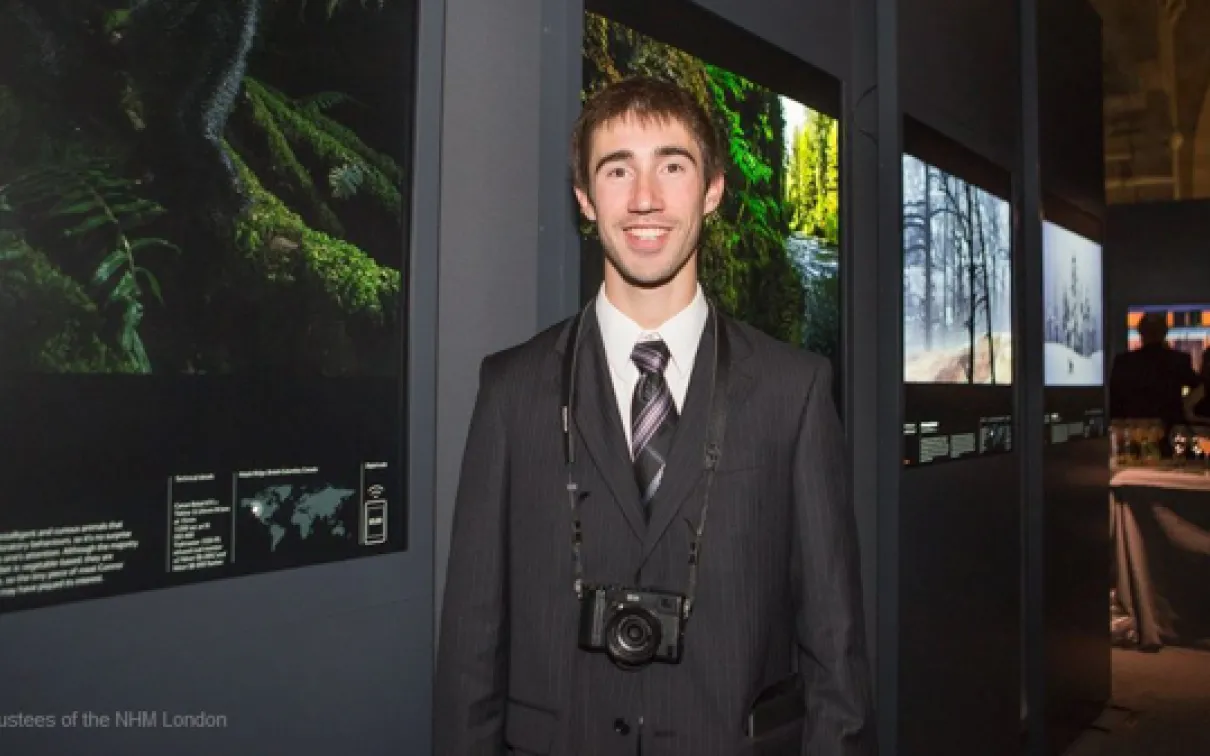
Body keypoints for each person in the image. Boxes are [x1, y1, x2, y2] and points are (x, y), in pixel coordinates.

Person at [434, 76, 876, 756]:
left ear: (713, 189)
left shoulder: (797, 390)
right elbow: (470, 643)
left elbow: (835, 649)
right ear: (584, 198)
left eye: (672, 165)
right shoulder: (511, 389)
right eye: (618, 169)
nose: (645, 198)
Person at [1109, 312, 1204, 439]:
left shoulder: (1124, 362)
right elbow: (1201, 387)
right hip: (1170, 430)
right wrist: (1185, 406)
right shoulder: (1178, 360)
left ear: (1140, 333)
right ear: (1164, 333)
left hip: (1133, 431)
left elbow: (1114, 399)